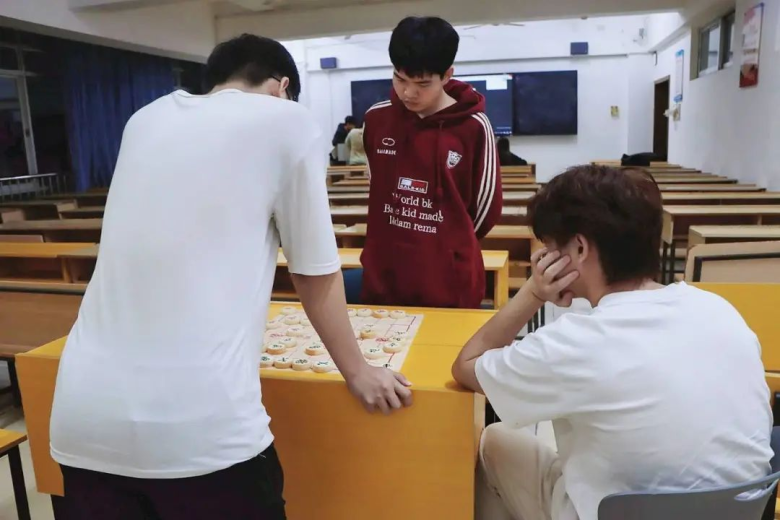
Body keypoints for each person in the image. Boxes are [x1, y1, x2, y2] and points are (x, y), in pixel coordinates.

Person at [49, 34, 412, 520]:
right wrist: (359, 371)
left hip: (81, 417)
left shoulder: (145, 118)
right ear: (283, 87)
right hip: (199, 429)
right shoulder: (288, 120)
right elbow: (313, 272)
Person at [452, 165, 772, 520]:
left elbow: (466, 364)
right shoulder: (720, 310)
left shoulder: (576, 342)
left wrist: (534, 292)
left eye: (549, 249)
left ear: (579, 248)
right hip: (735, 511)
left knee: (497, 440)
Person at [361, 16, 502, 309]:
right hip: (384, 277)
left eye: (422, 83)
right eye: (400, 79)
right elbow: (378, 187)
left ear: (447, 75)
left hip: (448, 281)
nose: (408, 93)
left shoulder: (474, 127)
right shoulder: (377, 119)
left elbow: (486, 210)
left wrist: (447, 246)